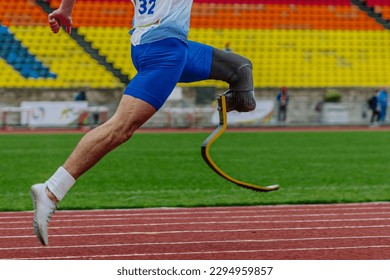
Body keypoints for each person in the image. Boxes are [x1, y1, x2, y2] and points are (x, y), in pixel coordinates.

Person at [31, 0, 257, 246]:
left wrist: (65, 9)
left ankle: (237, 96)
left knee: (240, 68)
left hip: (157, 44)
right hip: (164, 50)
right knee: (120, 128)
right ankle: (51, 190)